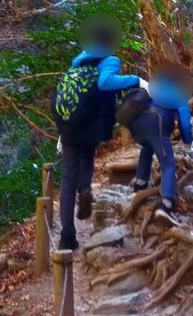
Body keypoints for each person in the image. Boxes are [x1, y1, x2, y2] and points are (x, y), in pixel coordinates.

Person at [52, 15, 147, 251]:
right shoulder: (109, 60)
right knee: (88, 155)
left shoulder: (77, 63)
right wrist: (138, 80)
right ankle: (85, 187)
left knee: (67, 178)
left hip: (70, 126)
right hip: (92, 124)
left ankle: (67, 237)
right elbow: (105, 83)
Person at [119, 63, 193, 226]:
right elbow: (185, 124)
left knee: (147, 148)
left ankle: (140, 186)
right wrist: (188, 144)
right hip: (156, 124)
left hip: (137, 126)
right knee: (168, 165)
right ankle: (165, 204)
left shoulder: (152, 86)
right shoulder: (178, 93)